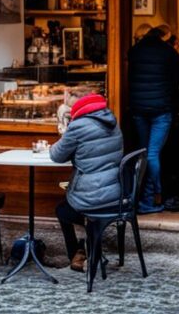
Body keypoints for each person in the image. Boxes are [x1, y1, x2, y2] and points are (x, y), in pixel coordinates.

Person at [49, 94, 124, 271]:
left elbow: (56, 155)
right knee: (77, 205)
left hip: (93, 198)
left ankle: (76, 252)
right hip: (115, 195)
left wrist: (66, 131)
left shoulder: (78, 126)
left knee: (62, 210)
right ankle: (88, 249)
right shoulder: (112, 121)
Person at [127, 24, 179, 214]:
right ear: (163, 37)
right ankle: (155, 196)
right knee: (152, 154)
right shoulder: (169, 53)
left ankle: (142, 198)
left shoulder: (134, 51)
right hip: (161, 110)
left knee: (144, 153)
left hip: (138, 108)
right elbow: (176, 82)